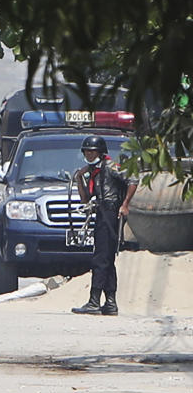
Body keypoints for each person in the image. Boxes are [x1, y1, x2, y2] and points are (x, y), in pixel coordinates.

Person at [71, 135, 138, 316]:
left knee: (100, 258)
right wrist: (79, 178)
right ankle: (110, 302)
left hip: (110, 213)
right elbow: (85, 199)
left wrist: (125, 204)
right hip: (100, 212)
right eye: (86, 151)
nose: (89, 155)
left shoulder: (110, 166)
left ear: (100, 152)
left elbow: (132, 180)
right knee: (107, 259)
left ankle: (94, 301)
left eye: (92, 152)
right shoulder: (93, 171)